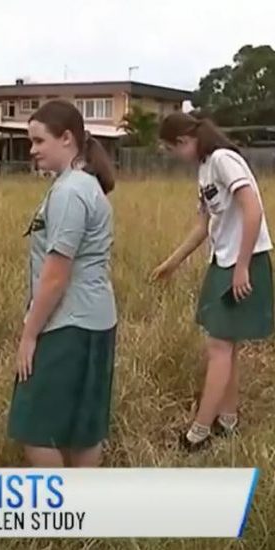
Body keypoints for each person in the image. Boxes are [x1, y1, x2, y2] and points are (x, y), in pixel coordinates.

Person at [151, 112, 273, 452]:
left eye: (172, 148)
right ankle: (227, 421)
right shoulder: (204, 170)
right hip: (223, 261)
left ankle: (199, 432)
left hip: (244, 260)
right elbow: (203, 226)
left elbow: (253, 210)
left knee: (218, 348)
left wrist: (243, 266)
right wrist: (171, 263)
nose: (174, 156)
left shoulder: (223, 160)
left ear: (184, 141)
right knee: (226, 346)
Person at [8, 100, 118, 467]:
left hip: (67, 324)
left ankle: (59, 516)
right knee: (82, 427)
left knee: (35, 427)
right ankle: (83, 516)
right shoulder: (82, 186)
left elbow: (56, 275)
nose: (33, 150)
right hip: (96, 320)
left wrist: (29, 333)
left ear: (67, 138)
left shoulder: (71, 192)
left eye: (39, 141)